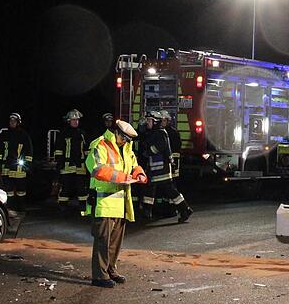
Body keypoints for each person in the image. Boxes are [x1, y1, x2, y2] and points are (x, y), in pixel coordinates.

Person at [84, 119, 147, 287]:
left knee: (115, 242)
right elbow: (97, 169)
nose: (125, 141)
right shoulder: (100, 144)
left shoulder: (126, 148)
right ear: (116, 132)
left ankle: (111, 270)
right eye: (123, 138)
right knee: (103, 241)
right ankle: (99, 276)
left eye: (128, 139)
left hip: (120, 204)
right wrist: (123, 177)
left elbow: (134, 165)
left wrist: (139, 174)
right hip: (103, 203)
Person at [140, 110, 192, 223]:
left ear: (155, 122)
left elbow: (160, 146)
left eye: (149, 120)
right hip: (156, 169)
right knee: (151, 189)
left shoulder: (160, 133)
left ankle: (185, 210)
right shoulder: (155, 132)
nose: (147, 122)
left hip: (162, 169)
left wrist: (148, 151)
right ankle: (147, 212)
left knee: (169, 191)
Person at [53, 109, 89, 213]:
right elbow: (58, 150)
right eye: (73, 120)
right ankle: (63, 207)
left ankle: (83, 207)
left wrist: (88, 165)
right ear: (69, 121)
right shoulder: (63, 134)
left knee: (81, 189)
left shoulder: (82, 134)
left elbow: (87, 150)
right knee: (66, 188)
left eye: (77, 120)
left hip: (80, 166)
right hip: (66, 166)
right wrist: (59, 164)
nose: (76, 122)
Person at [0, 113, 33, 209]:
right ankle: (10, 207)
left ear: (18, 123)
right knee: (9, 190)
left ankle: (21, 207)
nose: (12, 123)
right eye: (11, 121)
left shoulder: (24, 135)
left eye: (14, 121)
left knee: (21, 190)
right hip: (6, 167)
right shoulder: (4, 134)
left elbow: (29, 151)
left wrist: (28, 164)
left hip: (19, 168)